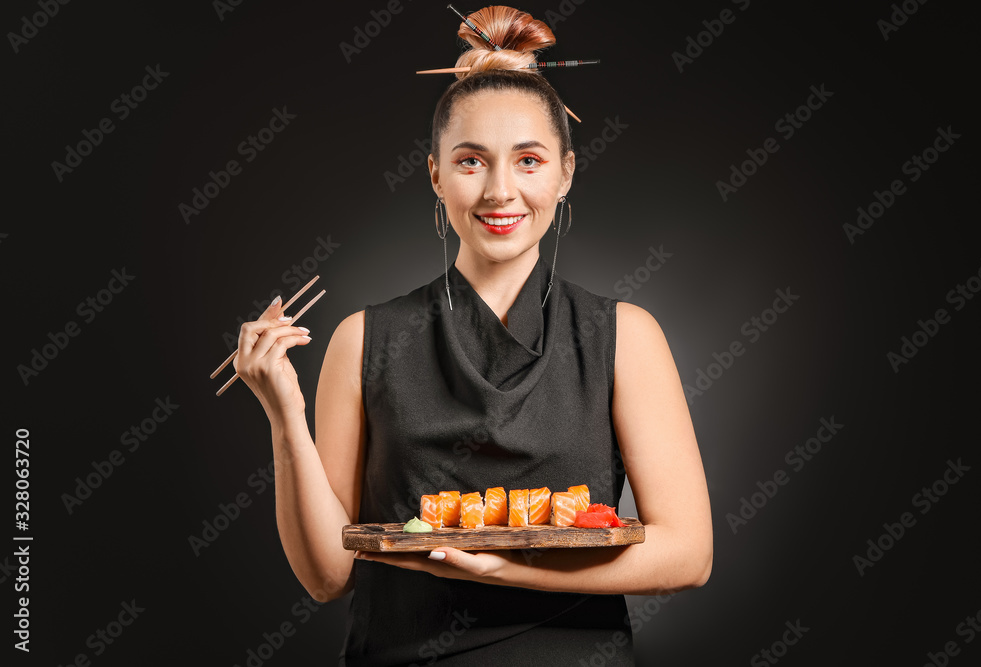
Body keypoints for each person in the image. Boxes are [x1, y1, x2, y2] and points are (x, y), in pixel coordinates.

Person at [234, 6, 712, 665]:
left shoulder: (626, 336)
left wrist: (505, 570)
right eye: (470, 161)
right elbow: (326, 576)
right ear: (435, 175)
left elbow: (689, 553)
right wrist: (282, 409)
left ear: (565, 173)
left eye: (528, 159)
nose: (500, 190)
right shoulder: (361, 339)